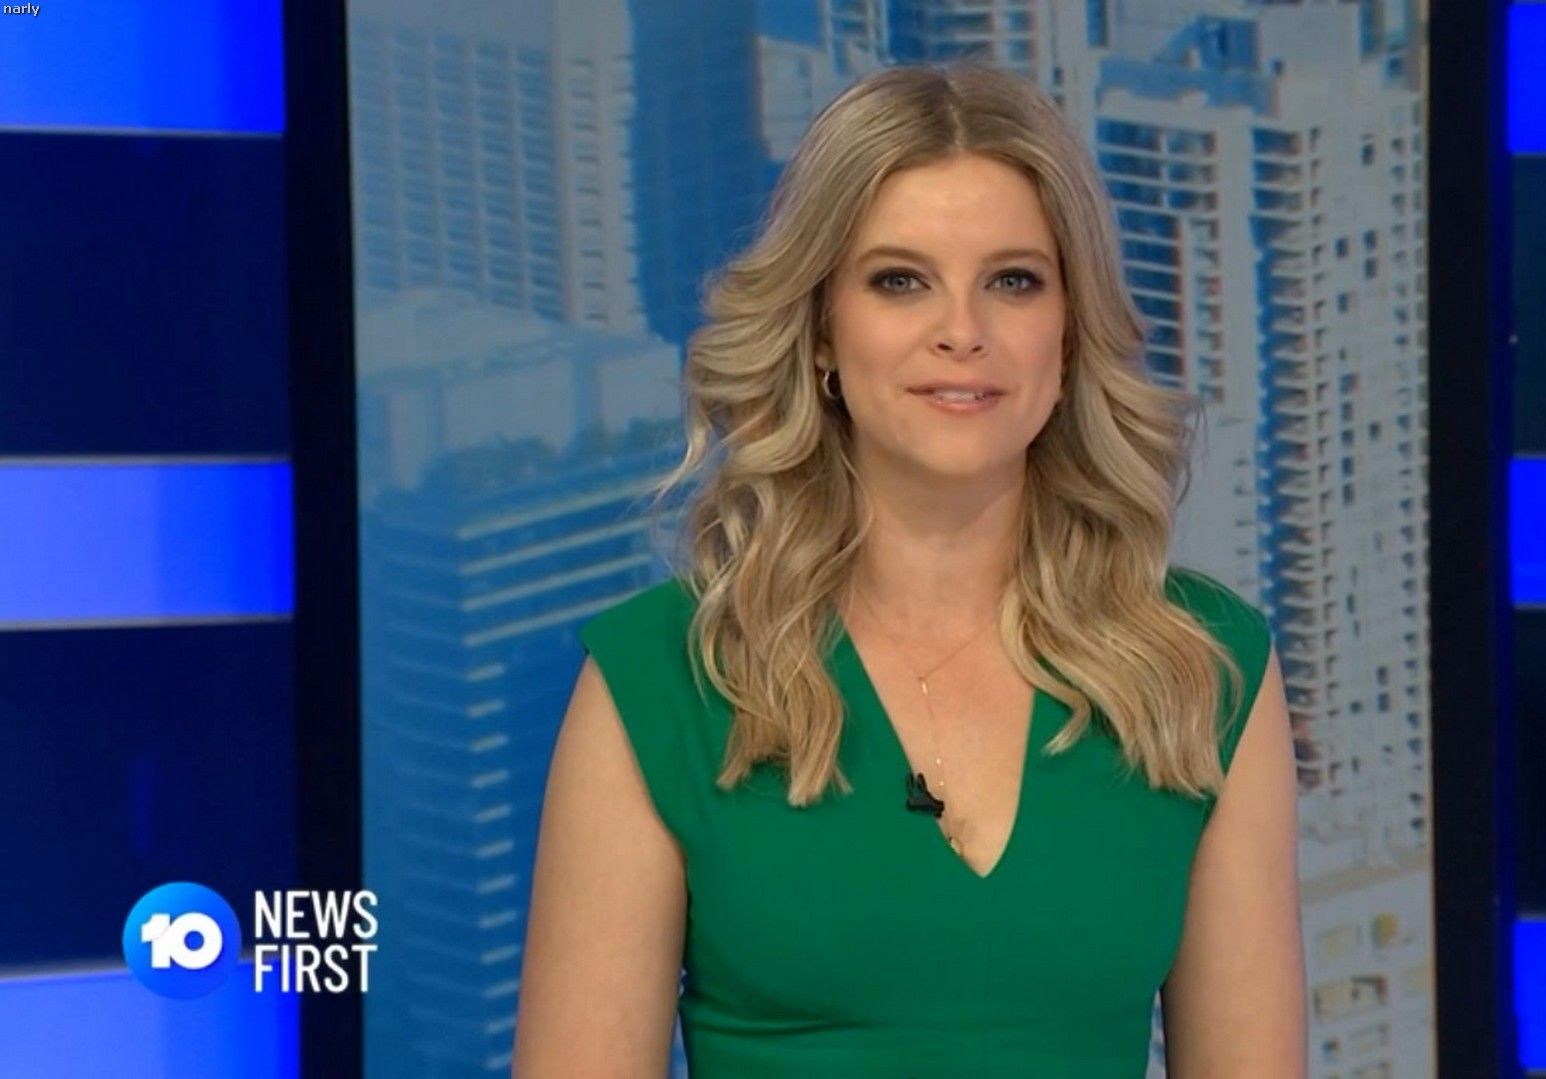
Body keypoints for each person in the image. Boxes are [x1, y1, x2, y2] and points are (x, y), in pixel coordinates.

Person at [514, 61, 1305, 1077]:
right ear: (822, 334)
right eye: (900, 280)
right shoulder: (664, 678)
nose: (962, 332)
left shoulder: (1204, 670)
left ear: (1068, 336)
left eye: (1013, 281)